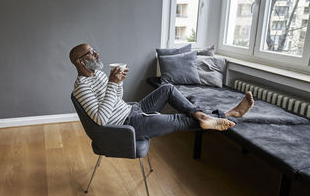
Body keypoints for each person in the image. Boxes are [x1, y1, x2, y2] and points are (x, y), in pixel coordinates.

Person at [70, 43, 254, 140]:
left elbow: (117, 99)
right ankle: (229, 114)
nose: (97, 54)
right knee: (177, 119)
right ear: (80, 61)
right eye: (91, 53)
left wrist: (118, 83)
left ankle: (202, 115)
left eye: (95, 50)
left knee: (166, 88)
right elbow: (101, 119)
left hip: (132, 110)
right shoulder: (82, 88)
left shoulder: (99, 75)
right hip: (128, 124)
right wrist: (112, 83)